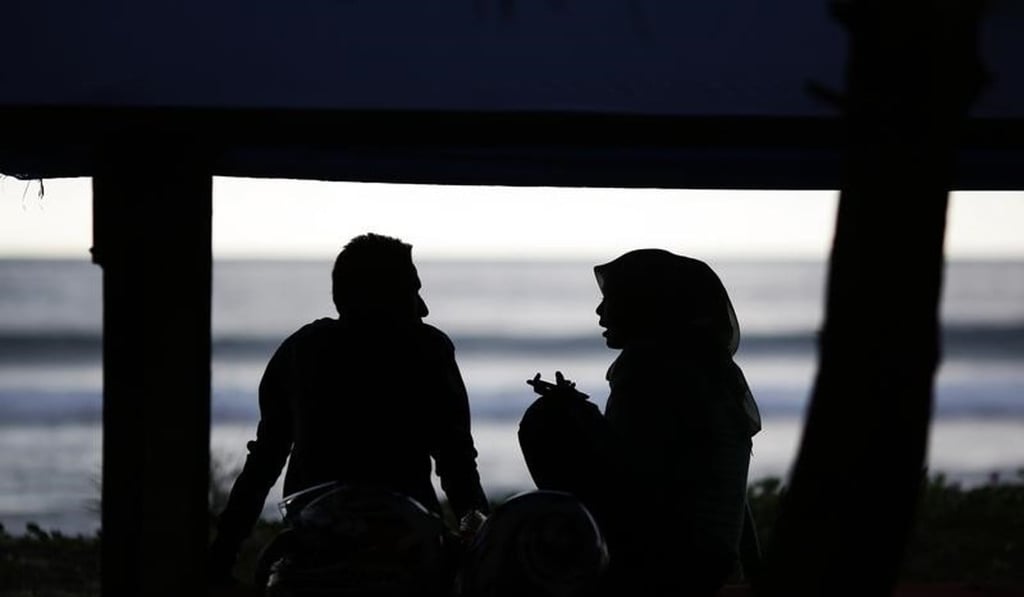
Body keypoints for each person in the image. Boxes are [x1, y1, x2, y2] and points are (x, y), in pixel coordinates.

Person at [209, 233, 489, 582]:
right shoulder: (429, 350)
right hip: (408, 554)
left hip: (314, 553)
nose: (423, 308)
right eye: (411, 292)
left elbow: (263, 464)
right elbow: (458, 464)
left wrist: (222, 555)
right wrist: (483, 547)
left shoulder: (301, 352)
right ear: (380, 297)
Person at [519, 249, 761, 596]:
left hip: (671, 560)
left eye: (611, 300)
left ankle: (589, 558)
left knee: (547, 420)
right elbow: (721, 484)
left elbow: (632, 476)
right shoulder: (712, 372)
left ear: (644, 305)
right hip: (712, 559)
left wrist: (572, 412)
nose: (600, 311)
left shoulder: (649, 369)